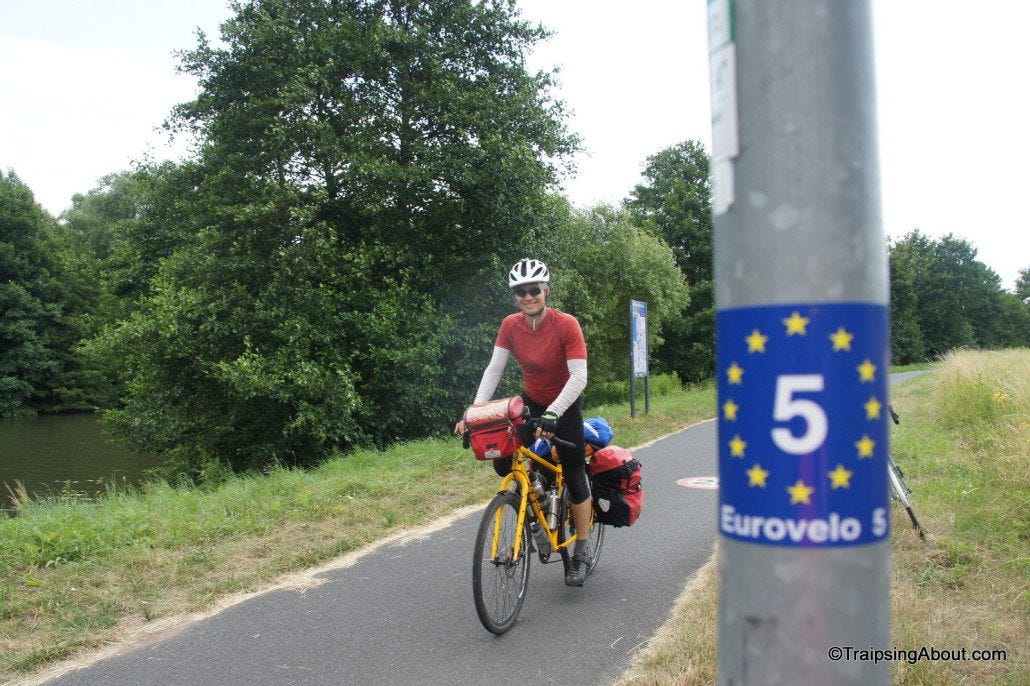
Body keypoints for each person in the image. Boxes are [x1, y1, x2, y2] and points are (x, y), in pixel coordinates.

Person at [454, 258, 592, 586]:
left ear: (546, 291)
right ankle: (535, 501)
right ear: (515, 296)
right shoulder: (510, 325)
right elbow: (494, 369)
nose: (528, 296)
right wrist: (474, 412)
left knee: (574, 474)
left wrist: (555, 412)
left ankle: (582, 550)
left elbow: (579, 376)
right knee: (504, 462)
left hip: (565, 404)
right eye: (521, 291)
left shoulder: (566, 324)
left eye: (534, 290)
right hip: (531, 402)